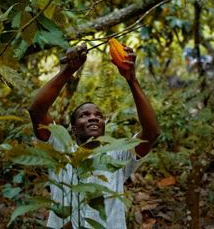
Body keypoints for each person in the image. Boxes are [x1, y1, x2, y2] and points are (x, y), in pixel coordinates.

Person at [28, 43, 160, 229]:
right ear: (73, 129)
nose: (93, 118)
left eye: (98, 115)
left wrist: (132, 80)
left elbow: (152, 132)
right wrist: (68, 70)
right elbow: (37, 111)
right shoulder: (61, 151)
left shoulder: (116, 156)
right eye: (85, 115)